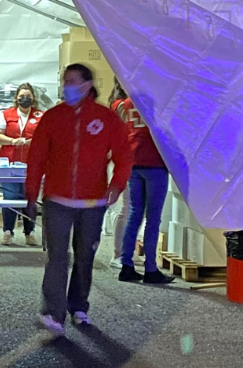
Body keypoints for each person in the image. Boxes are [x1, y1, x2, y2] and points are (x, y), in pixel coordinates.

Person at [25, 64, 130, 336]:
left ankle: (79, 305)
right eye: (64, 80)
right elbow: (36, 156)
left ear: (86, 85)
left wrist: (117, 184)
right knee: (57, 257)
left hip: (92, 202)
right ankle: (53, 313)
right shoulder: (53, 117)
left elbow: (123, 154)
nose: (65, 86)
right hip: (57, 200)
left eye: (71, 81)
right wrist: (31, 191)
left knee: (85, 257)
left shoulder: (106, 119)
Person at [111, 82, 175, 284]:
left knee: (134, 214)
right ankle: (150, 269)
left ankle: (126, 264)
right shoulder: (159, 101)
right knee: (153, 218)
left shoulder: (124, 103)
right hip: (154, 161)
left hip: (132, 160)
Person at [0, 83, 45, 247]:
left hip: (32, 163)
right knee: (10, 197)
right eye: (22, 96)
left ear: (33, 98)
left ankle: (30, 232)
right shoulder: (6, 114)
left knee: (30, 198)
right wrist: (13, 141)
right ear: (16, 98)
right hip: (9, 163)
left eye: (28, 96)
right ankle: (7, 231)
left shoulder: (40, 115)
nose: (25, 99)